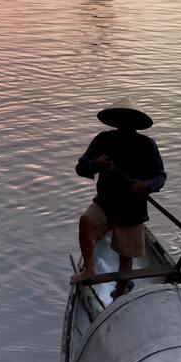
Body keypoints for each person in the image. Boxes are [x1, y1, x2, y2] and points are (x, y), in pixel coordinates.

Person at [73, 102, 166, 297]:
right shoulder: (103, 140)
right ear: (116, 121)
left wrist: (145, 186)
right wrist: (96, 164)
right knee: (86, 221)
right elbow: (81, 166)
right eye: (121, 120)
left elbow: (160, 176)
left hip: (132, 209)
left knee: (125, 255)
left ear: (136, 124)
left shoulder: (147, 145)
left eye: (129, 120)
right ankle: (89, 270)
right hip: (105, 202)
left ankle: (122, 290)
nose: (125, 124)